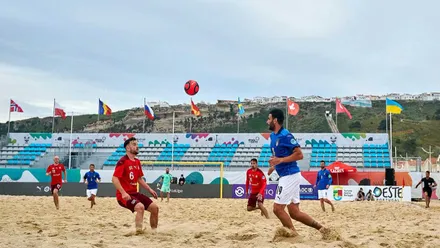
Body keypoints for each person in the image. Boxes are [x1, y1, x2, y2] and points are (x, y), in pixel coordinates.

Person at [267, 108, 329, 237]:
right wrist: (275, 165)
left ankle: (293, 235)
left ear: (275, 120)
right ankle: (322, 229)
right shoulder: (273, 136)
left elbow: (299, 155)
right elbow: (278, 156)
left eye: (269, 119)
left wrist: (281, 160)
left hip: (289, 175)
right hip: (288, 175)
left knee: (277, 209)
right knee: (294, 212)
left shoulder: (286, 135)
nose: (267, 121)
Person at [112, 137, 159, 233]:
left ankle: (154, 231)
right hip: (123, 196)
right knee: (140, 207)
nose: (137, 146)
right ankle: (138, 232)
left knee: (155, 208)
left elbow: (139, 179)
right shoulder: (122, 161)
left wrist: (149, 189)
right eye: (134, 144)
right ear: (128, 148)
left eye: (137, 144)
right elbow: (114, 179)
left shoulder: (137, 161)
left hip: (134, 193)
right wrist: (123, 193)